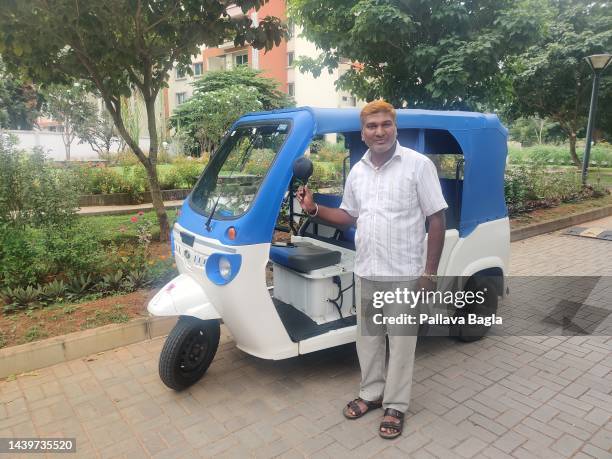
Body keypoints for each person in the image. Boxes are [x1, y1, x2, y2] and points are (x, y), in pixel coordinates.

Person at [296, 100, 447, 439]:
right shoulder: (358, 171)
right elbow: (349, 216)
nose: (379, 131)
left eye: (385, 125)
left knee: (402, 343)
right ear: (363, 133)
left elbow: (436, 218)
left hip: (406, 273)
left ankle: (396, 404)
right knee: (368, 340)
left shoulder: (417, 166)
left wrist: (430, 274)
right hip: (367, 270)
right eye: (371, 126)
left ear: (394, 127)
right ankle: (372, 393)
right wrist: (314, 208)